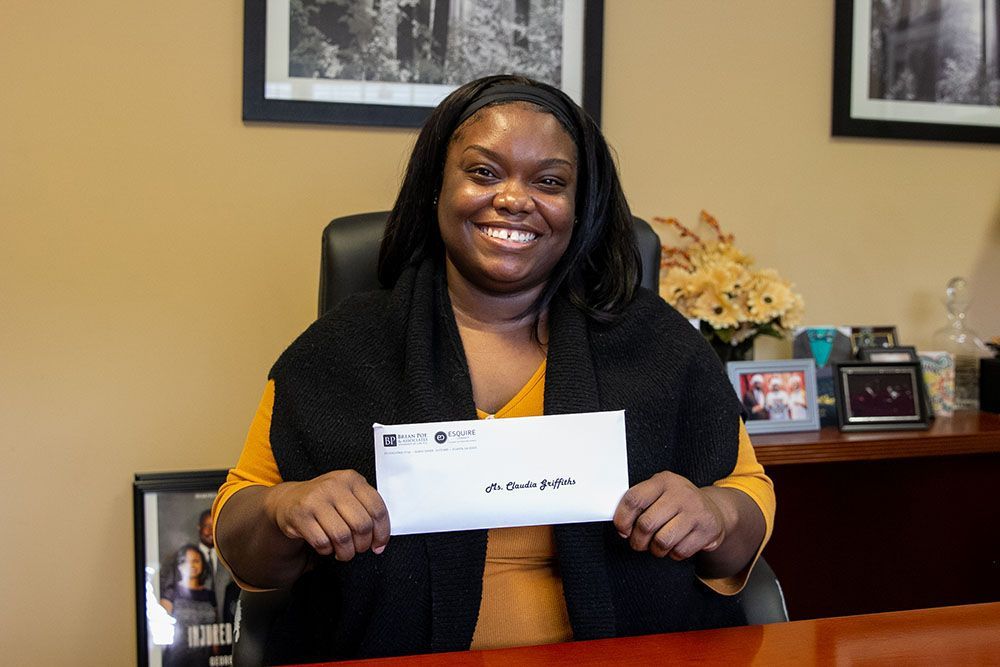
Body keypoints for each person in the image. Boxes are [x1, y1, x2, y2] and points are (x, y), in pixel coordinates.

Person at [212, 74, 775, 663]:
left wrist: (713, 512)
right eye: (483, 172)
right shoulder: (337, 350)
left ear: (580, 207)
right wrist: (285, 509)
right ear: (437, 186)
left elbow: (743, 508)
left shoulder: (658, 343)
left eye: (550, 182)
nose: (513, 199)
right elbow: (242, 537)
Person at [159, 544, 216, 667]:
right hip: (177, 660)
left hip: (204, 661)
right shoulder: (171, 593)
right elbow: (161, 633)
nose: (192, 565)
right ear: (179, 566)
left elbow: (214, 631)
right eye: (186, 561)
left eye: (196, 561)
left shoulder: (209, 595)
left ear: (202, 564)